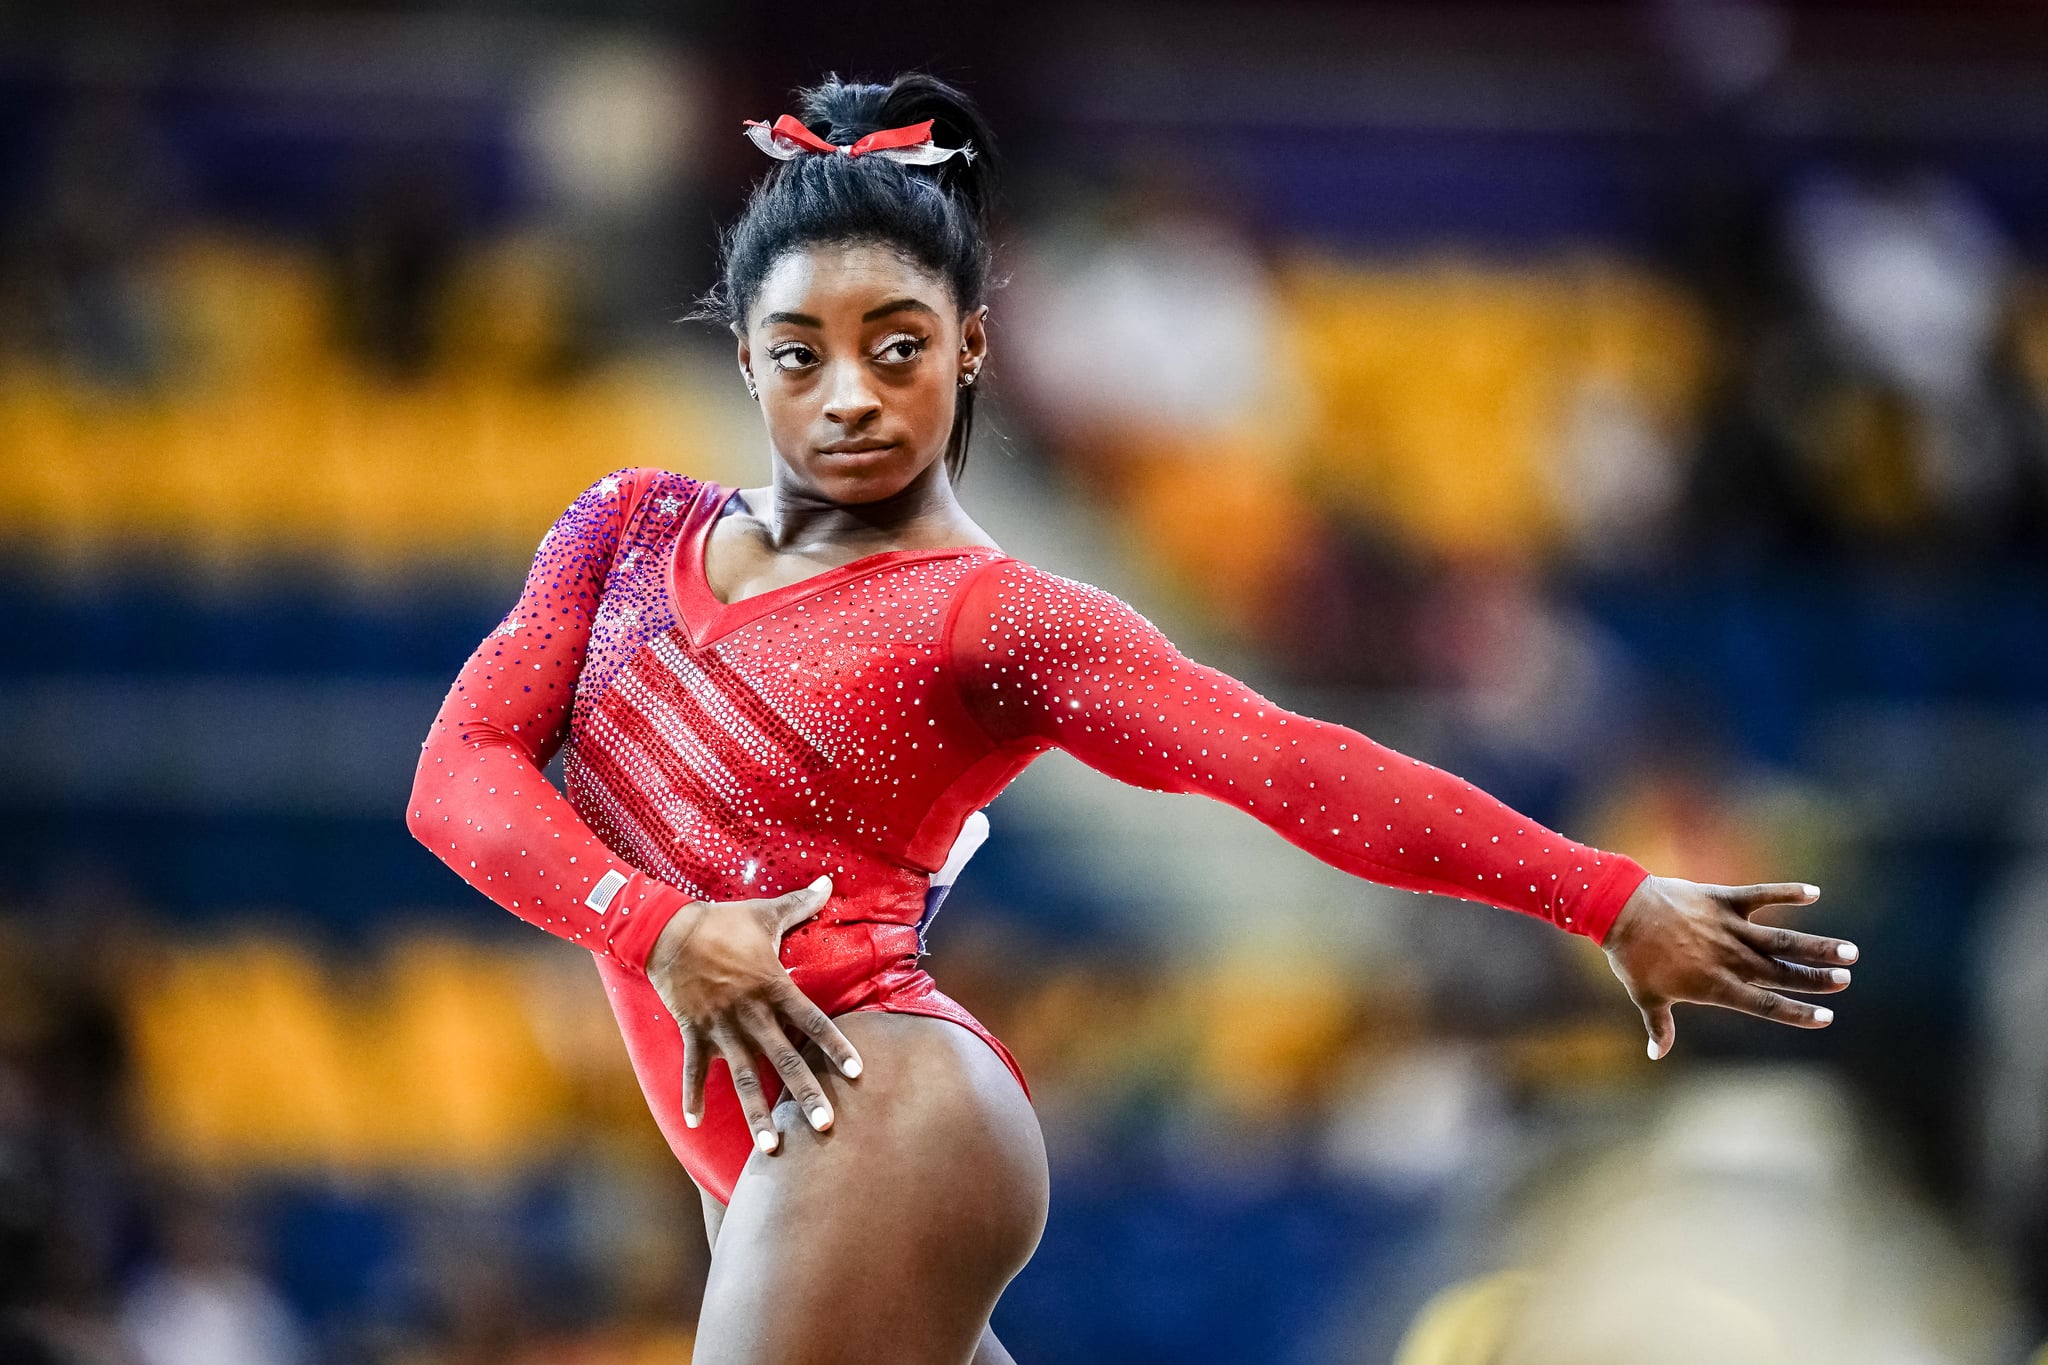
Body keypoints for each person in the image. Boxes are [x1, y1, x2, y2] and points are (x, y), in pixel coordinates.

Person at [405, 74, 1859, 1365]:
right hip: (779, 1155)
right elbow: (456, 778)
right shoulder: (624, 528)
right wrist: (657, 927)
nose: (849, 394)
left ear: (971, 349)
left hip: (880, 1108)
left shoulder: (1000, 615)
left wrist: (1605, 896)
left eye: (896, 347)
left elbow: (1291, 767)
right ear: (745, 359)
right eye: (802, 353)